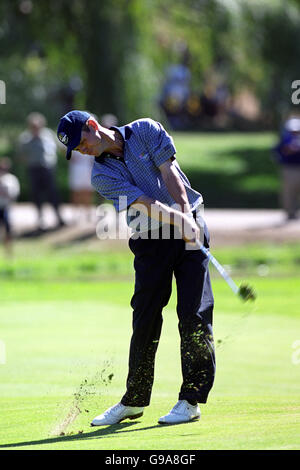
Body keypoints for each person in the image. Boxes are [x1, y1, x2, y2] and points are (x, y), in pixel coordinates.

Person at [57, 110, 215, 425]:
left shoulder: (146, 130)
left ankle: (191, 399)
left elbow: (169, 173)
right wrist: (177, 220)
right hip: (149, 236)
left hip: (189, 224)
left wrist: (185, 216)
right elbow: (142, 202)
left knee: (194, 313)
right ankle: (134, 400)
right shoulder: (100, 176)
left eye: (81, 142)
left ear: (92, 126)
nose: (81, 150)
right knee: (145, 316)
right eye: (75, 149)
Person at [18, 112, 65, 229]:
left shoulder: (48, 134)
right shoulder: (25, 138)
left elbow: (61, 147)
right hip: (34, 169)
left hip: (48, 168)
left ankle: (59, 218)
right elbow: (20, 156)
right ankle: (40, 220)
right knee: (37, 194)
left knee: (52, 193)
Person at [274, 117, 300, 220]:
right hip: (289, 168)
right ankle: (290, 213)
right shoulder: (284, 140)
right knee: (289, 192)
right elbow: (278, 153)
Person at [0, 158, 20, 256]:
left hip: (5, 207)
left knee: (8, 229)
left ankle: (8, 251)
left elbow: (14, 193)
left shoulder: (11, 179)